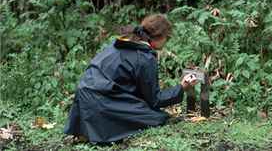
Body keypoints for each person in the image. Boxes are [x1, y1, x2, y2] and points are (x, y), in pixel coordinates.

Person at [64, 14, 198, 144]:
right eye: (167, 39)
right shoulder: (145, 57)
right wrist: (182, 87)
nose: (166, 42)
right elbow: (155, 100)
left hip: (84, 95)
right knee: (159, 117)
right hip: (101, 101)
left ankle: (85, 131)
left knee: (149, 111)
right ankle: (99, 132)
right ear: (159, 37)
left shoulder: (122, 42)